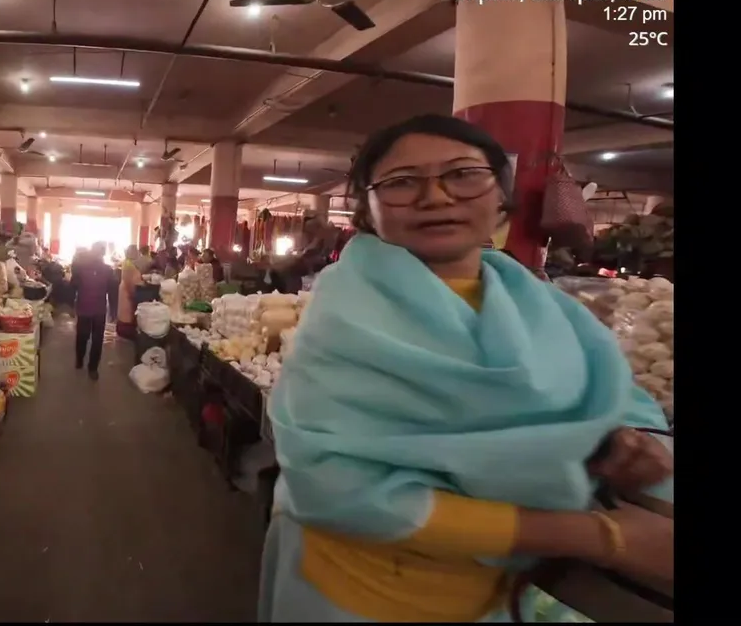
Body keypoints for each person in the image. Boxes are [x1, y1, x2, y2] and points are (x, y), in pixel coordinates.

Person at [260, 114, 673, 623]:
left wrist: (622, 442)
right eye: (402, 182)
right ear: (367, 209)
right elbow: (335, 488)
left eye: (463, 174)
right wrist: (597, 537)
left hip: (496, 593)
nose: (436, 198)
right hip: (365, 590)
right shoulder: (343, 320)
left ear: (500, 194)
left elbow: (609, 401)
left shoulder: (545, 305)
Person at [71, 243, 113, 381]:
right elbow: (112, 291)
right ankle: (91, 367)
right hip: (96, 310)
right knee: (94, 339)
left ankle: (83, 363)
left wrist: (71, 305)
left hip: (88, 309)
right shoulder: (106, 270)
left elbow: (73, 287)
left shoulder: (81, 268)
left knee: (85, 337)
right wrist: (113, 311)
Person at [115, 245, 142, 340]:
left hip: (126, 289)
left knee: (126, 311)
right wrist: (132, 294)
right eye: (136, 251)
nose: (138, 253)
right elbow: (128, 281)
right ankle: (125, 330)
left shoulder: (129, 263)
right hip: (127, 291)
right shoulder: (128, 264)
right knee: (126, 312)